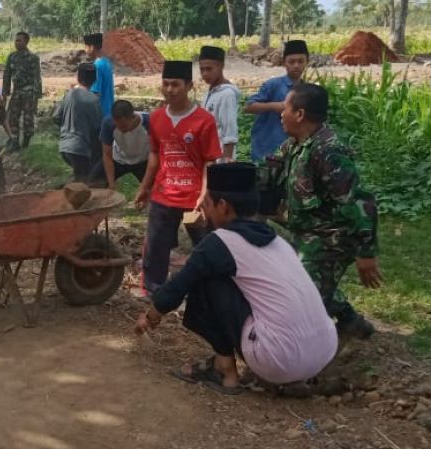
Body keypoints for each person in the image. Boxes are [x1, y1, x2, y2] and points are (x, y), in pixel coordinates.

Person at [133, 163, 338, 394]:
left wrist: (150, 317)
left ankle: (224, 369)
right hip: (324, 350)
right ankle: (295, 373)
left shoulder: (220, 242)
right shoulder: (279, 241)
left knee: (204, 279)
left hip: (279, 359)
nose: (206, 212)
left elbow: (178, 286)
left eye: (208, 204)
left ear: (223, 206)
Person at [277, 83, 382, 340]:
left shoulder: (328, 150)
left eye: (285, 108)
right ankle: (350, 321)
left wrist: (365, 253)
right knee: (301, 281)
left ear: (299, 114)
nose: (281, 114)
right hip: (307, 233)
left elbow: (358, 203)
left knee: (304, 301)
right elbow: (267, 172)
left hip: (331, 239)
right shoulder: (295, 144)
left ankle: (310, 357)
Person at [135, 60, 222, 294]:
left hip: (194, 199)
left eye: (175, 85)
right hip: (163, 195)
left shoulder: (204, 121)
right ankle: (154, 292)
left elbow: (209, 161)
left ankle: (212, 292)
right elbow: (155, 155)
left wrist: (205, 194)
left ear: (189, 86)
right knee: (155, 248)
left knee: (207, 247)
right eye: (166, 84)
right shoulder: (156, 118)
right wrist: (145, 187)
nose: (170, 90)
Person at [246, 39, 308, 162]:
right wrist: (276, 106)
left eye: (300, 61)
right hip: (266, 149)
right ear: (284, 63)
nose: (296, 65)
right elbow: (249, 106)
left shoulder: (306, 90)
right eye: (292, 61)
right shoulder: (273, 85)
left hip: (292, 153)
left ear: (307, 62)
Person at [53, 62, 102, 182]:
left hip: (65, 147)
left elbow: (56, 117)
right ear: (94, 79)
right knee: (83, 184)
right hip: (81, 150)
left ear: (78, 77)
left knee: (79, 178)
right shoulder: (94, 100)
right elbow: (97, 127)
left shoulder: (68, 95)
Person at [89, 99, 150, 189]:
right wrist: (111, 183)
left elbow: (157, 151)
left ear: (133, 117)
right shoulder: (108, 123)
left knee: (155, 189)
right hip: (119, 159)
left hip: (143, 160)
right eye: (118, 126)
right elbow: (107, 154)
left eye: (124, 126)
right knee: (94, 182)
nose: (121, 130)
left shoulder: (149, 122)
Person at [198, 45, 240, 161]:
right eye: (202, 69)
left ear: (221, 66)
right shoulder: (209, 93)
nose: (205, 74)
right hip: (208, 156)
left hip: (220, 158)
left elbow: (229, 133)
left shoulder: (227, 94)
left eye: (209, 69)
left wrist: (225, 165)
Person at [3, 31, 42, 150]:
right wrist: (5, 93)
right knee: (12, 117)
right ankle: (14, 142)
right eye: (16, 40)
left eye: (19, 40)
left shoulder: (33, 58)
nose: (16, 43)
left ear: (26, 42)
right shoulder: (12, 57)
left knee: (28, 119)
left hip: (29, 93)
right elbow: (7, 75)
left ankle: (26, 143)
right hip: (16, 92)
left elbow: (37, 77)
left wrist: (36, 96)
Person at [84, 32, 115, 117]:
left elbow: (95, 94)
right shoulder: (106, 62)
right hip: (109, 111)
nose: (85, 50)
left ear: (92, 47)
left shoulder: (96, 66)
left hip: (100, 115)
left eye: (86, 47)